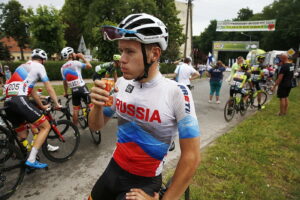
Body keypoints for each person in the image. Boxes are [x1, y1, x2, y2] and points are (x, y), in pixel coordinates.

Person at [88, 13, 201, 200]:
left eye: (129, 51)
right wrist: (97, 106)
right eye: (121, 51)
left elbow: (192, 157)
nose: (122, 59)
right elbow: (95, 126)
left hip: (144, 182)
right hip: (113, 170)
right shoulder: (121, 83)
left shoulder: (177, 92)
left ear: (154, 54)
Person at [4, 48, 61, 168]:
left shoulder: (22, 66)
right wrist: (57, 103)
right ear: (43, 60)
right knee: (45, 126)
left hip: (8, 103)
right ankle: (31, 159)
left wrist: (41, 105)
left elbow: (32, 91)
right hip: (19, 100)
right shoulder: (39, 66)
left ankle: (21, 155)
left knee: (23, 135)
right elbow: (49, 88)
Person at [60, 47, 93, 126]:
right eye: (73, 53)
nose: (75, 54)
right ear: (70, 55)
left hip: (74, 90)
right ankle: (94, 124)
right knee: (91, 106)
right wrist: (83, 57)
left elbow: (65, 82)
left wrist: (65, 92)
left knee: (75, 110)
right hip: (82, 87)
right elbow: (89, 66)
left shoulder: (62, 68)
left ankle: (75, 130)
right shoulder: (75, 63)